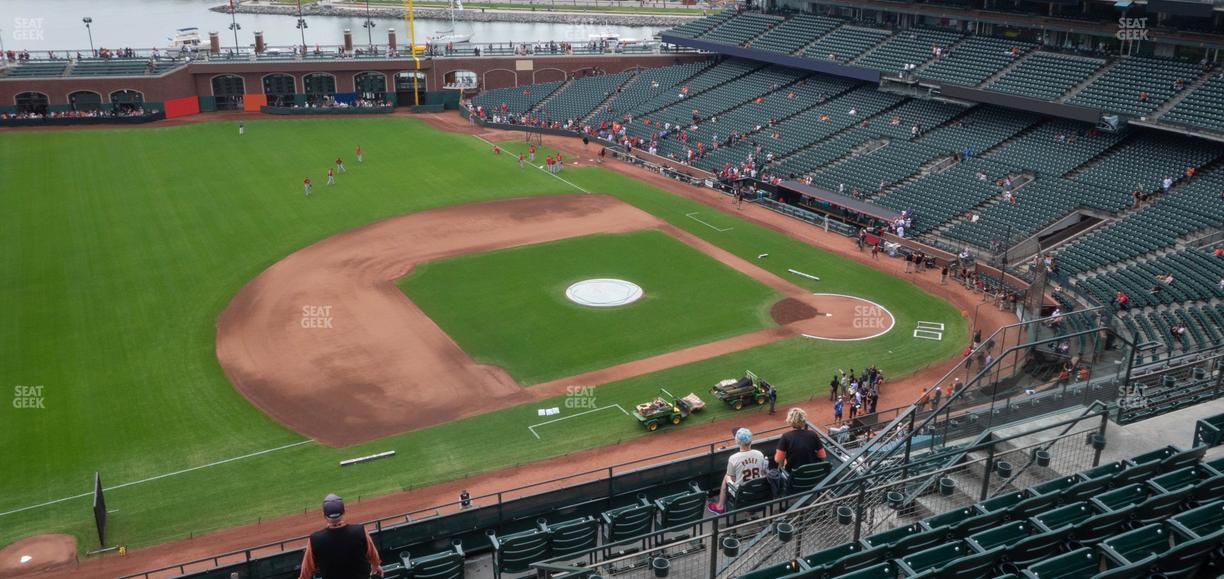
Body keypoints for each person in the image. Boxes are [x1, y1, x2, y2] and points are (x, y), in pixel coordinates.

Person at [298, 494, 383, 579]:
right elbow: (373, 555)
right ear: (344, 511)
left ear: (324, 514)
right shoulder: (359, 531)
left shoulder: (315, 539)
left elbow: (306, 571)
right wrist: (376, 565)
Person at [708, 428, 767, 514]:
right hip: (759, 491)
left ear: (737, 441)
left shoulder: (733, 458)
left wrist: (728, 478)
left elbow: (732, 478)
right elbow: (762, 472)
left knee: (726, 477)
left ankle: (720, 506)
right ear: (751, 440)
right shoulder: (759, 454)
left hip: (742, 496)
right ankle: (751, 509)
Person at [774, 408, 826, 473]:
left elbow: (778, 459)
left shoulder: (785, 437)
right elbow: (822, 456)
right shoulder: (813, 434)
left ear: (790, 421)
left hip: (794, 477)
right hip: (814, 473)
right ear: (804, 420)